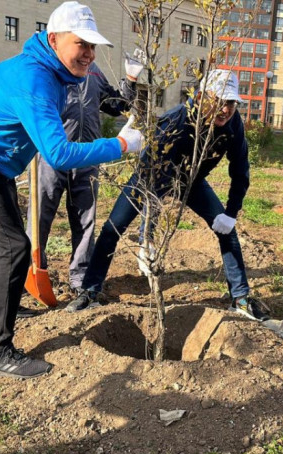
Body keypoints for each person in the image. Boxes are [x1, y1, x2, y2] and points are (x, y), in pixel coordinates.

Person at [0, 1, 143, 379]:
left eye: (93, 46)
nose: (89, 54)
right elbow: (60, 153)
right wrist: (122, 145)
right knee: (14, 247)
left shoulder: (59, 72)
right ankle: (0, 352)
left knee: (10, 243)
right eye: (81, 44)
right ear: (54, 39)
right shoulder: (35, 77)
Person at [67, 69, 269, 322]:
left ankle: (240, 299)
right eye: (219, 101)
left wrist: (230, 213)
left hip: (191, 181)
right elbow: (153, 179)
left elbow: (240, 171)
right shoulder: (176, 121)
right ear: (202, 97)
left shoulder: (233, 126)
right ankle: (90, 292)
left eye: (230, 103)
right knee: (112, 229)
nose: (225, 109)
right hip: (150, 177)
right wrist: (146, 236)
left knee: (227, 232)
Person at [28, 53, 143, 300]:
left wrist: (131, 79)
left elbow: (116, 105)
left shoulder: (93, 71)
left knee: (85, 219)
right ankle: (32, 270)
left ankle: (80, 277)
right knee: (40, 217)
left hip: (87, 156)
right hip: (52, 156)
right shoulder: (49, 71)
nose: (86, 51)